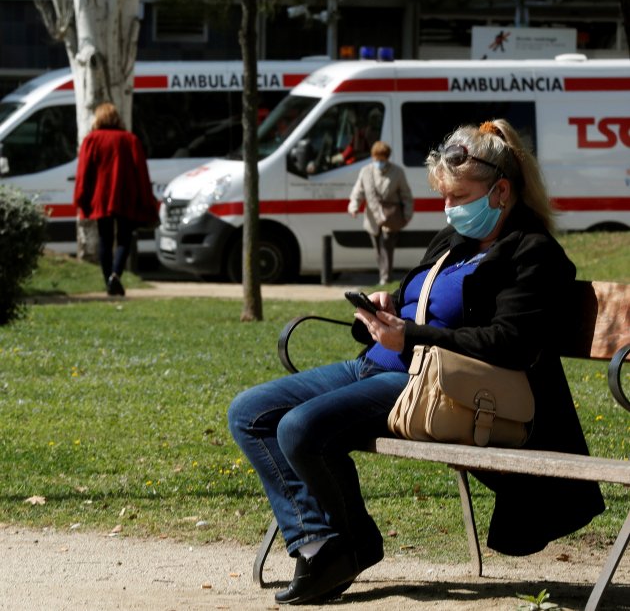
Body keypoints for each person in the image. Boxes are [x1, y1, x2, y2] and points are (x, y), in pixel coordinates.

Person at [228, 119, 605, 606]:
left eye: (459, 196)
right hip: (380, 365)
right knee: (250, 413)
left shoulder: (534, 253)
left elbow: (510, 342)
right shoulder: (453, 240)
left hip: (432, 384)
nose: (449, 207)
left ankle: (347, 548)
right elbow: (419, 304)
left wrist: (412, 336)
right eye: (444, 196)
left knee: (300, 429)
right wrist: (384, 311)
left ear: (501, 191)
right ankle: (321, 542)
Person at [74, 102, 158, 296]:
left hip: (101, 197)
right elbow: (141, 172)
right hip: (126, 196)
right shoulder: (130, 140)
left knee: (105, 238)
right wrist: (145, 198)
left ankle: (108, 280)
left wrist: (81, 197)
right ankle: (115, 275)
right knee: (124, 238)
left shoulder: (91, 140)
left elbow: (84, 172)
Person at [348, 141, 414, 284]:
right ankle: (383, 275)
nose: (379, 162)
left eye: (382, 159)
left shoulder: (397, 172)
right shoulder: (366, 171)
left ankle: (386, 277)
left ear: (387, 158)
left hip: (391, 217)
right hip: (372, 218)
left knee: (387, 246)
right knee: (378, 249)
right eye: (376, 159)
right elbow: (358, 192)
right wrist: (354, 207)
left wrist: (407, 214)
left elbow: (406, 195)